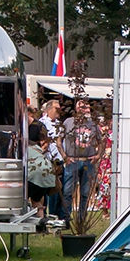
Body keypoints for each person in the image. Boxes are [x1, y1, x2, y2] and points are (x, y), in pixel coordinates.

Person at [59, 97, 102, 226]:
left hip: (88, 162)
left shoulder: (93, 124)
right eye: (83, 107)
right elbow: (58, 140)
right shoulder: (68, 122)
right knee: (67, 192)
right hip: (72, 161)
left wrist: (98, 155)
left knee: (85, 193)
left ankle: (81, 220)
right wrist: (64, 156)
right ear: (77, 109)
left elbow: (101, 141)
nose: (86, 110)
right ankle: (66, 219)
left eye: (87, 107)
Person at [25, 123, 58, 220]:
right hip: (48, 178)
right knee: (36, 199)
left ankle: (23, 220)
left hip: (36, 176)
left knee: (22, 196)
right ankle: (41, 220)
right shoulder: (38, 148)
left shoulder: (25, 148)